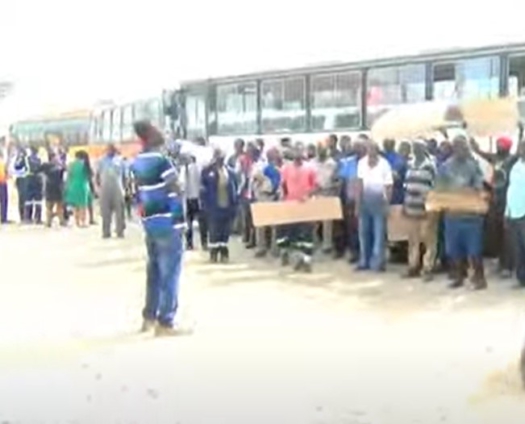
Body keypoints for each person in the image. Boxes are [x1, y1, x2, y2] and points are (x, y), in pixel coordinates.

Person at [130, 120, 187, 337]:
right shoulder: (163, 162)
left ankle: (149, 318)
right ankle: (166, 322)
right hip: (168, 223)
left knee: (153, 272)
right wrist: (180, 223)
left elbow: (136, 195)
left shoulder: (137, 162)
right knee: (170, 273)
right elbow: (175, 190)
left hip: (150, 223)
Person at [440, 134, 487, 290]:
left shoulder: (473, 166)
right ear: (454, 148)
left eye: (465, 147)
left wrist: (468, 190)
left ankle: (479, 279)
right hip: (452, 215)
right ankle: (458, 277)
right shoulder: (445, 166)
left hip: (471, 216)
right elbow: (440, 188)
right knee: (454, 250)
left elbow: (479, 186)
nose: (464, 150)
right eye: (460, 147)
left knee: (474, 250)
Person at [276, 144, 317, 272]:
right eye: (296, 152)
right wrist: (284, 198)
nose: (298, 155)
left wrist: (308, 195)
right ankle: (297, 259)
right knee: (292, 234)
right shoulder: (286, 169)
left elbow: (316, 186)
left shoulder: (310, 168)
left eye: (301, 151)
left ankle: (307, 261)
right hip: (290, 206)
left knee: (307, 234)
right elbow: (283, 185)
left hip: (306, 206)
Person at [402, 139, 437, 281]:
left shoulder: (430, 165)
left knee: (429, 239)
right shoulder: (410, 164)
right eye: (414, 147)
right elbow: (406, 184)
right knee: (413, 240)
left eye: (418, 147)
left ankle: (427, 268)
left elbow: (435, 185)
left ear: (424, 149)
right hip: (411, 207)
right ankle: (413, 266)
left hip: (427, 208)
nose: (416, 150)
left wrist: (431, 204)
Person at [356, 140, 393, 272]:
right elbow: (359, 184)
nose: (370, 151)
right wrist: (357, 204)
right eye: (368, 149)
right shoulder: (361, 163)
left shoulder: (384, 164)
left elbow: (389, 185)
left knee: (379, 234)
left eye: (373, 149)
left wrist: (387, 204)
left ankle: (378, 263)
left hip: (379, 201)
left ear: (377, 150)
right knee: (364, 233)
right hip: (365, 201)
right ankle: (364, 261)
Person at [201, 148, 238, 263]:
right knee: (214, 231)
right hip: (213, 206)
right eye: (218, 157)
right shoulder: (207, 171)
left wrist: (234, 204)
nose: (220, 159)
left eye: (222, 157)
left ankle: (224, 253)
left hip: (227, 206)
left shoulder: (230, 172)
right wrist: (204, 205)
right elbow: (203, 189)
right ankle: (213, 254)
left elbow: (235, 188)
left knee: (225, 231)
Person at [253, 147, 282, 258]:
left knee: (275, 225)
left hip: (274, 198)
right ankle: (261, 247)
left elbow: (278, 184)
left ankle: (275, 248)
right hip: (264, 197)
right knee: (261, 225)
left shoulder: (279, 169)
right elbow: (255, 180)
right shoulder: (264, 167)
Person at [505, 139, 525, 288]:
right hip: (514, 213)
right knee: (517, 249)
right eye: (520, 148)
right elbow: (511, 189)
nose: (521, 150)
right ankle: (521, 278)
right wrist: (507, 212)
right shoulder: (516, 166)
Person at [96, 144, 127, 239]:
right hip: (105, 188)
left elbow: (125, 176)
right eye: (108, 149)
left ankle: (120, 231)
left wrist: (126, 189)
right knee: (105, 212)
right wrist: (98, 188)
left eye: (112, 149)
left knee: (120, 211)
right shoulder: (101, 161)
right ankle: (106, 232)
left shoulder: (120, 160)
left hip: (118, 188)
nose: (110, 151)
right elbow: (97, 175)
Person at [312, 142, 338, 253]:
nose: (320, 151)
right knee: (313, 221)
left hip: (328, 193)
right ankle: (314, 242)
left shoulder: (332, 164)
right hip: (315, 194)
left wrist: (331, 186)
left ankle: (327, 245)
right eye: (319, 149)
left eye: (323, 149)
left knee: (327, 222)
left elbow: (336, 180)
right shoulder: (312, 163)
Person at [180, 153, 208, 250]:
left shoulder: (184, 169)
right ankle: (204, 243)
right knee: (202, 222)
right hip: (198, 198)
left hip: (188, 198)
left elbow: (182, 185)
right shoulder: (199, 168)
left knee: (188, 222)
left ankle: (189, 244)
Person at [65, 150, 91, 228]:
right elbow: (89, 176)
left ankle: (77, 222)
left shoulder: (71, 165)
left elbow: (68, 177)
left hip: (73, 185)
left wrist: (67, 186)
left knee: (75, 206)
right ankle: (83, 221)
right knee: (83, 205)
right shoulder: (85, 165)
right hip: (83, 185)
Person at [39, 152, 66, 227]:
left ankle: (61, 221)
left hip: (58, 188)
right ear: (51, 158)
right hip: (50, 188)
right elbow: (39, 171)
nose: (57, 159)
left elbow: (65, 170)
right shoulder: (46, 165)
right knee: (49, 206)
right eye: (56, 157)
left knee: (59, 206)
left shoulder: (60, 166)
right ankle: (48, 222)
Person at [24, 146, 44, 224]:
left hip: (29, 180)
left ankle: (28, 218)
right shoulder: (39, 160)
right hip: (38, 180)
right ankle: (38, 218)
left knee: (28, 199)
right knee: (38, 200)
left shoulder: (27, 159)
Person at [11, 146, 29, 223]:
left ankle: (23, 215)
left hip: (19, 179)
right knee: (23, 198)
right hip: (23, 179)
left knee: (22, 198)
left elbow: (13, 169)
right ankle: (24, 216)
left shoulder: (16, 159)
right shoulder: (22, 159)